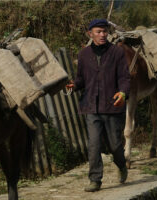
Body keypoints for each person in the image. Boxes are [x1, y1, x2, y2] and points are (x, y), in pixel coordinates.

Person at [66, 19, 130, 192]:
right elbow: (81, 78)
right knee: (93, 144)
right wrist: (75, 85)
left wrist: (123, 92)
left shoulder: (116, 52)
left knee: (115, 146)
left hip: (112, 107)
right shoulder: (84, 55)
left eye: (104, 32)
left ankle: (122, 165)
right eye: (98, 32)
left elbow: (124, 77)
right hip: (91, 106)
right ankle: (95, 180)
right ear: (90, 34)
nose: (102, 35)